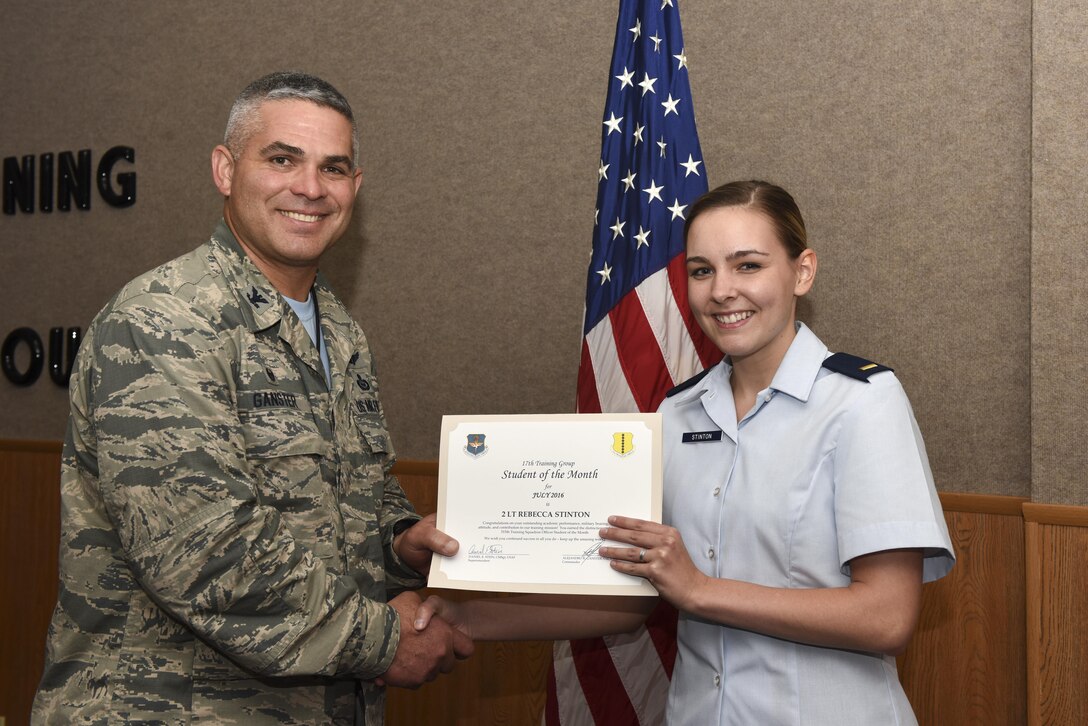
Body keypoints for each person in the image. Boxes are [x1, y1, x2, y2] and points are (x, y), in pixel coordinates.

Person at [417, 180, 955, 725]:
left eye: (747, 265)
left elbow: (887, 616)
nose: (722, 290)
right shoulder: (675, 415)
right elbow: (633, 597)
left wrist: (701, 591)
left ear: (802, 271)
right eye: (702, 270)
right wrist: (467, 617)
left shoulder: (861, 401)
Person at [33, 71, 472, 725]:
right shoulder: (166, 320)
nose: (310, 188)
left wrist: (401, 540)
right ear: (225, 169)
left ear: (357, 186)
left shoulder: (340, 332)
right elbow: (205, 551)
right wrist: (383, 641)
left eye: (334, 168)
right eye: (282, 159)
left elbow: (344, 504)